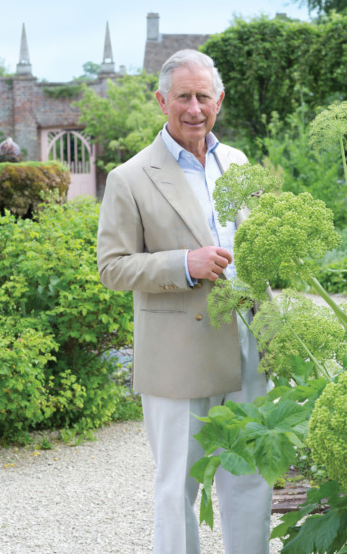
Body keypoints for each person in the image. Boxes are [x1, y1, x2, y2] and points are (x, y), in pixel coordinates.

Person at [97, 49, 272, 554]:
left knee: (251, 479)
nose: (194, 108)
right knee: (178, 490)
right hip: (177, 356)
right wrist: (183, 264)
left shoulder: (237, 163)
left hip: (248, 345)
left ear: (220, 99)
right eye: (183, 96)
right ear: (161, 100)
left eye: (203, 96)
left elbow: (258, 253)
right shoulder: (129, 177)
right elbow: (112, 267)